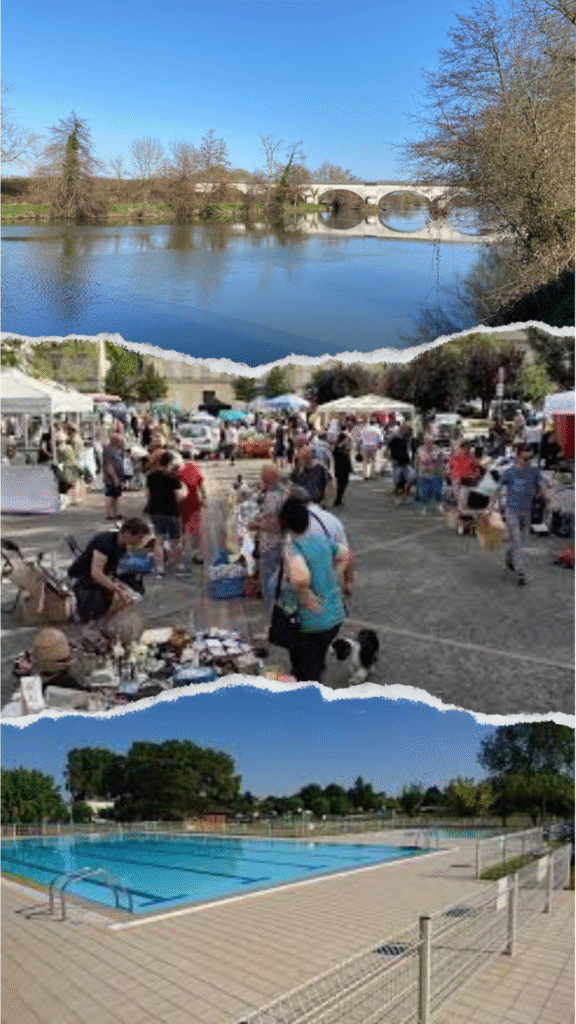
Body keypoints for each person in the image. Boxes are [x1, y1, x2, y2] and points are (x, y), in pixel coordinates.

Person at [276, 498, 350, 682]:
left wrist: (304, 593)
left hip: (311, 623)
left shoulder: (295, 548)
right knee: (316, 662)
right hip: (334, 617)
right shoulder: (322, 540)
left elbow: (300, 577)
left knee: (306, 672)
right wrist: (334, 574)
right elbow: (346, 554)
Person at [68, 517, 153, 622]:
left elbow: (114, 571)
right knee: (94, 610)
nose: (141, 541)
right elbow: (96, 573)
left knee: (133, 585)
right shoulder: (105, 542)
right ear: (128, 534)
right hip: (81, 577)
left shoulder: (123, 546)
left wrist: (126, 588)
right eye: (139, 537)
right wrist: (117, 589)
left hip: (97, 578)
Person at [497, 443, 550, 585]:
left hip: (526, 511)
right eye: (525, 459)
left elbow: (542, 485)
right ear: (517, 457)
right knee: (517, 541)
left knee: (520, 540)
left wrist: (545, 496)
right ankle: (521, 572)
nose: (528, 462)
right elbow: (497, 488)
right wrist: (493, 507)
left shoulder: (534, 471)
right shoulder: (508, 472)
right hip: (511, 511)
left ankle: (509, 557)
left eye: (530, 458)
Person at [252, 464, 288, 608]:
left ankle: (272, 610)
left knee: (269, 581)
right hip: (282, 543)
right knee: (278, 580)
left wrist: (256, 525)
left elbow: (276, 525)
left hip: (272, 544)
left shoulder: (275, 495)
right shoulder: (283, 491)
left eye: (264, 479)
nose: (262, 482)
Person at [146, 451, 187, 568]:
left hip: (155, 510)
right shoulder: (173, 478)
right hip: (171, 511)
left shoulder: (150, 476)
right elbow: (180, 496)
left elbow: (148, 494)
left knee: (158, 540)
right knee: (177, 540)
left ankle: (159, 567)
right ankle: (177, 564)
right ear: (171, 463)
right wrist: (183, 488)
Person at [178, 448, 207, 567]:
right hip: (194, 500)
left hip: (181, 500)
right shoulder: (196, 467)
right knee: (195, 528)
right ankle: (196, 553)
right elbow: (201, 485)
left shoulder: (179, 468)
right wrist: (204, 498)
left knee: (182, 528)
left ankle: (182, 553)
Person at [415, 434, 444, 515]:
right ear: (424, 442)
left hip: (436, 474)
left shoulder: (437, 450)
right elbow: (417, 461)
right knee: (425, 492)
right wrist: (417, 471)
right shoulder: (420, 450)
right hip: (424, 474)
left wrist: (442, 471)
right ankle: (424, 508)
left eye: (431, 441)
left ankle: (439, 506)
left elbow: (441, 462)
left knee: (438, 491)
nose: (429, 443)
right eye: (427, 441)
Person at [102, 433, 124, 520]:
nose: (121, 442)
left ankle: (115, 513)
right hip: (111, 477)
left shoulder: (116, 449)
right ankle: (109, 514)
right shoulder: (109, 450)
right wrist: (114, 477)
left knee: (116, 495)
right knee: (110, 495)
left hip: (117, 476)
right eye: (119, 441)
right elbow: (109, 465)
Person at [388, 423, 412, 497]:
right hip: (397, 460)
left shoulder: (409, 438)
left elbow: (411, 449)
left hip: (406, 461)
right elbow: (390, 447)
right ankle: (397, 491)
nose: (406, 431)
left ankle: (404, 490)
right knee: (397, 478)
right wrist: (391, 457)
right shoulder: (396, 437)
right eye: (404, 428)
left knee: (409, 477)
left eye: (407, 429)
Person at [333, 432, 352, 507]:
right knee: (343, 483)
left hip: (338, 467)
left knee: (339, 483)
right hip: (344, 468)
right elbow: (346, 458)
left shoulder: (336, 446)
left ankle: (339, 498)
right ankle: (339, 498)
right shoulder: (344, 447)